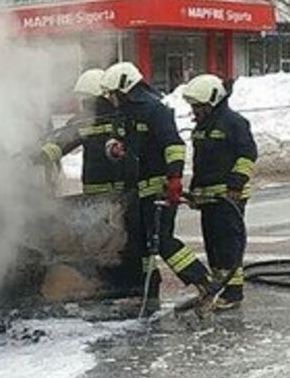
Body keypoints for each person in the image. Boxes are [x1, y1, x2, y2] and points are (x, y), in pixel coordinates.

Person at [100, 61, 225, 310]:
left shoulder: (155, 111)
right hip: (138, 191)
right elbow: (120, 142)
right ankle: (150, 289)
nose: (111, 99)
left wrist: (175, 178)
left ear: (124, 89)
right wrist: (114, 148)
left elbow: (174, 145)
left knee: (163, 241)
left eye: (113, 93)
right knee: (144, 243)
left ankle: (204, 281)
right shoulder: (127, 114)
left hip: (159, 189)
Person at [182, 73, 257, 310]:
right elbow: (201, 164)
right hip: (208, 198)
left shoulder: (234, 123)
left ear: (212, 101)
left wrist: (236, 184)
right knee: (213, 245)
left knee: (228, 246)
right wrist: (195, 191)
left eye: (199, 107)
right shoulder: (202, 128)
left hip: (228, 198)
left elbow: (247, 154)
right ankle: (218, 288)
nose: (195, 111)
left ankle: (233, 293)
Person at [38, 69, 133, 195]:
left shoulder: (82, 120)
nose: (81, 100)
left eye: (83, 95)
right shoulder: (123, 115)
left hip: (95, 185)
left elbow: (60, 145)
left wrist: (34, 157)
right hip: (124, 185)